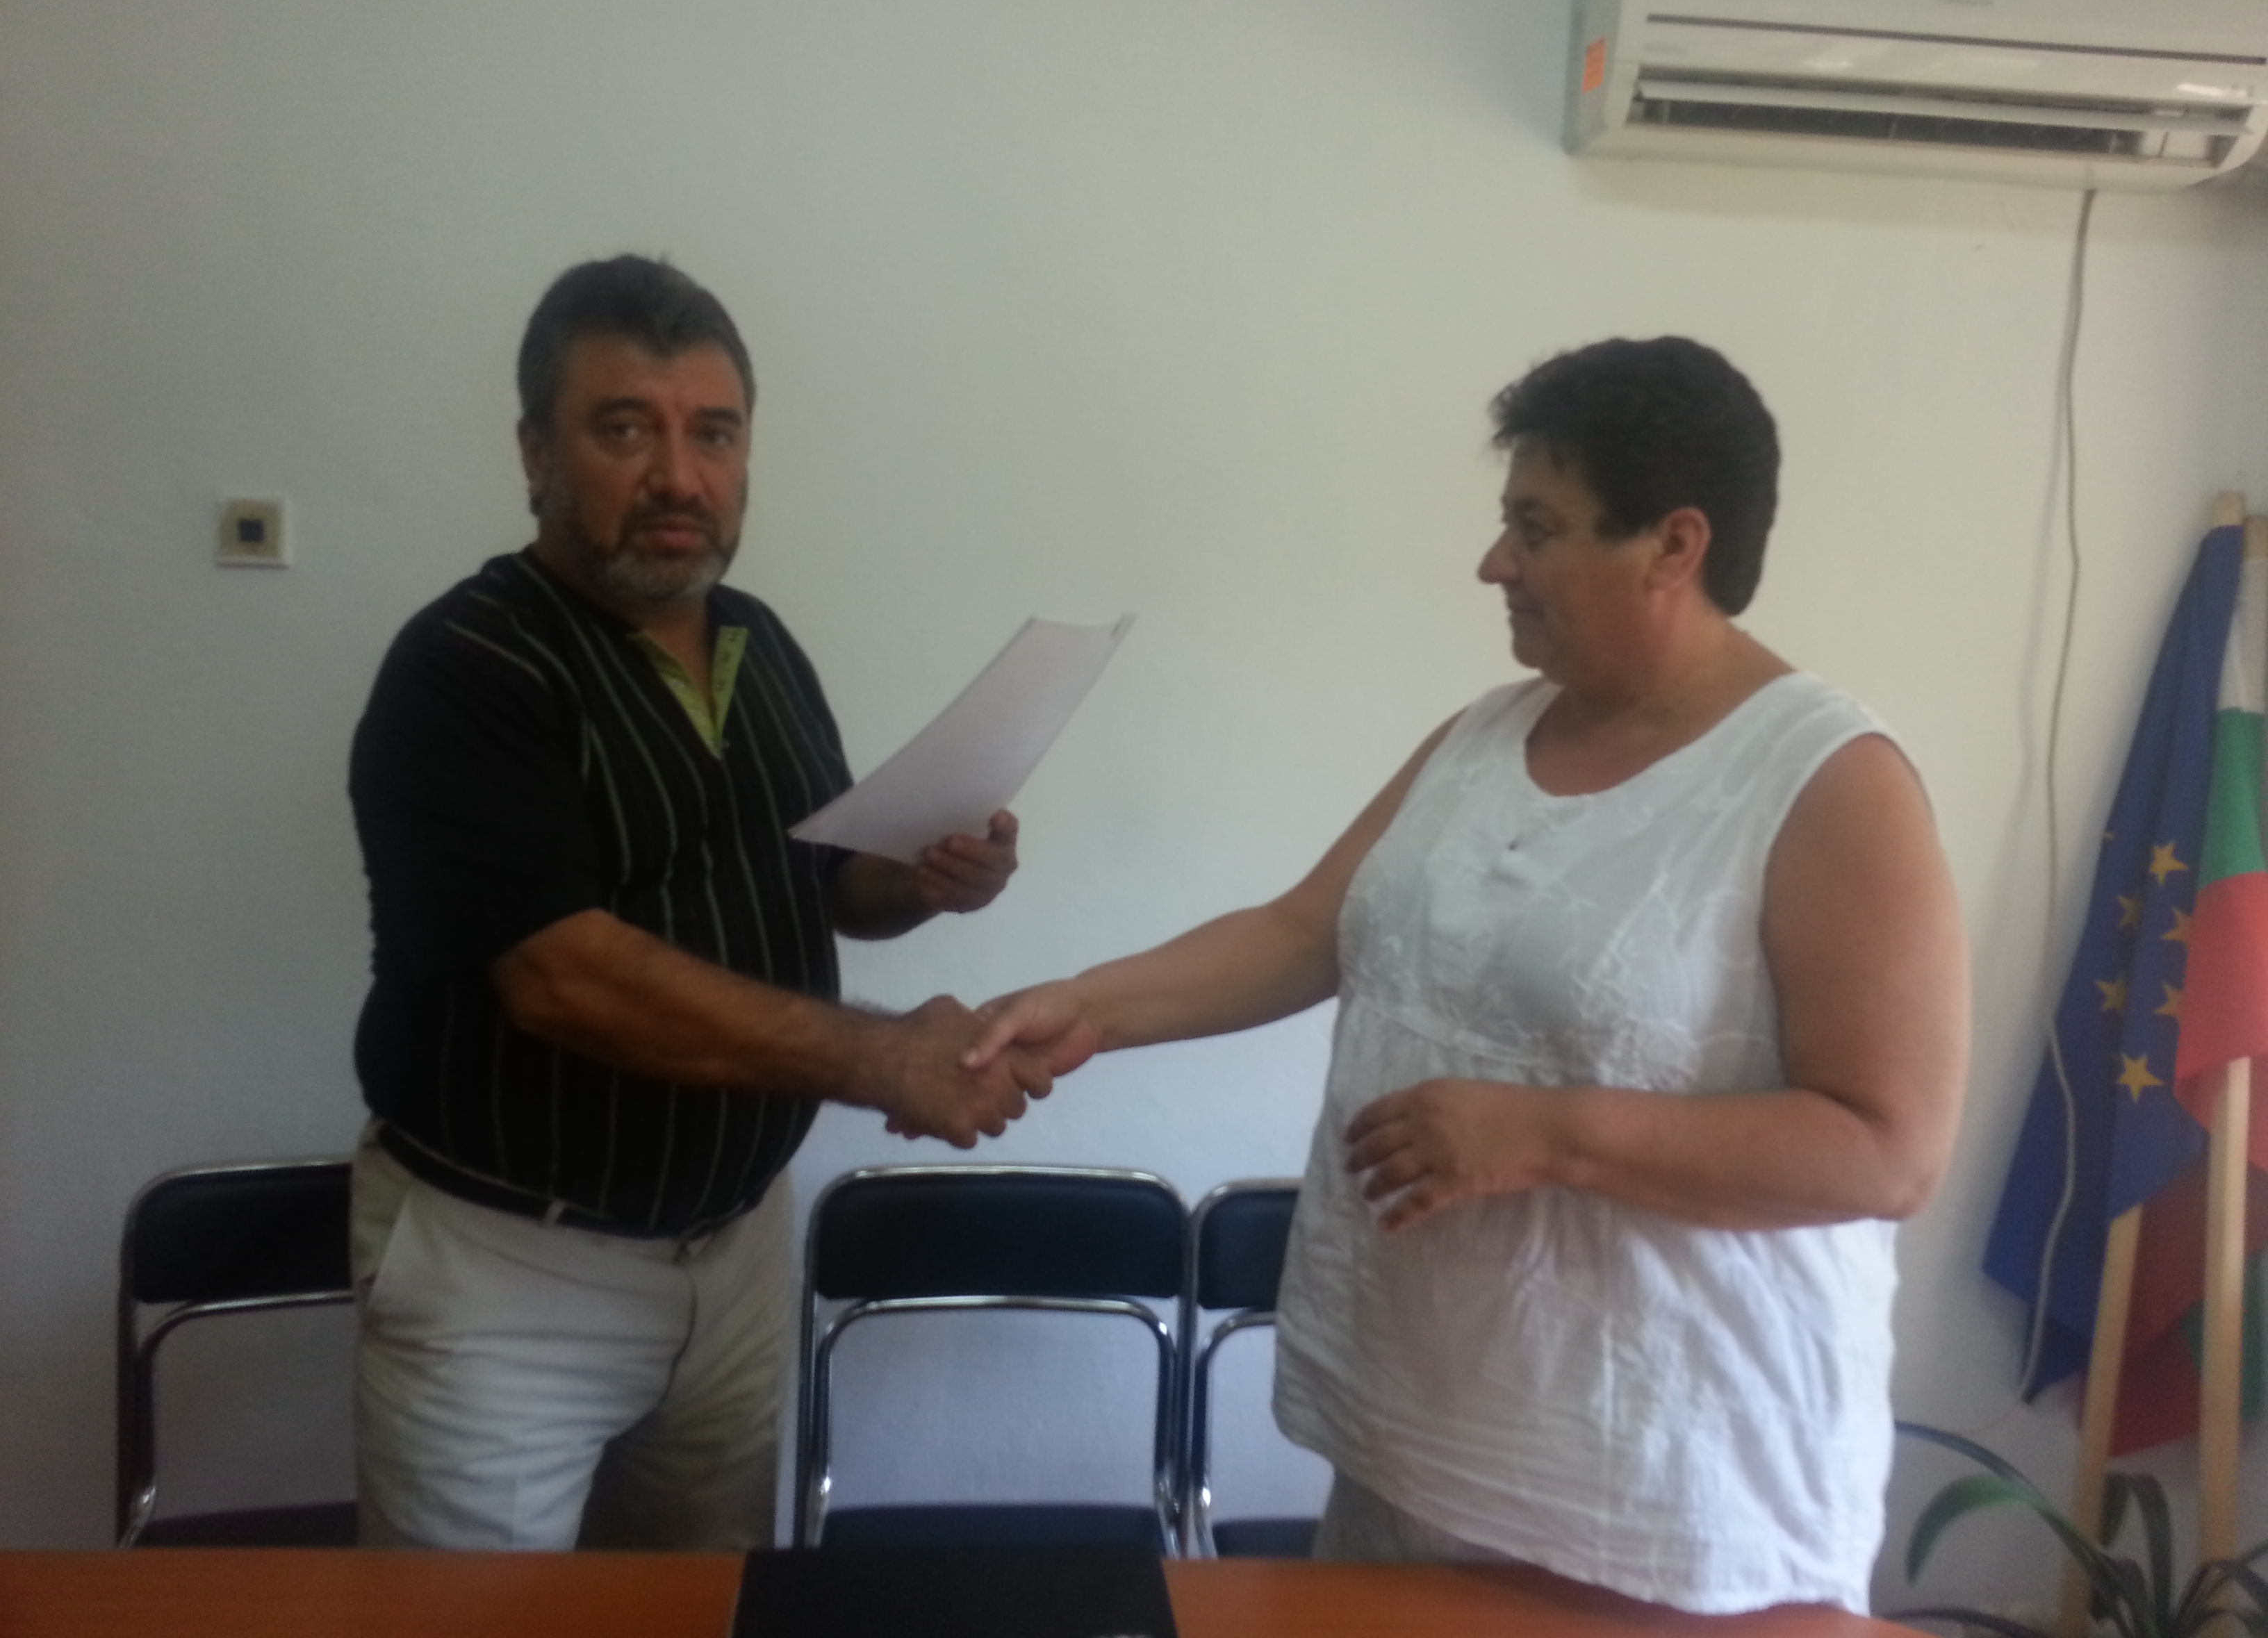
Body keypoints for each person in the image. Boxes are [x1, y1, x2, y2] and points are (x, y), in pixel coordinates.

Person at [967, 336, 1969, 1614]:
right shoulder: (1486, 735)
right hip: (1413, 1445)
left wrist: (1548, 1135)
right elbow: (1306, 931)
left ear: (1673, 545)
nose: (1496, 563)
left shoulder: (1828, 782)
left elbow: (1887, 1150)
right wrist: (1088, 1008)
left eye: (1536, 528)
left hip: (1661, 1502)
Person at [347, 255, 1060, 1551]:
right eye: (625, 430)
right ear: (536, 453)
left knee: (702, 1608)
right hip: (512, 1278)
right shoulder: (464, 668)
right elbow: (562, 977)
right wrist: (884, 1058)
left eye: (714, 434)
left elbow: (824, 887)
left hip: (735, 1255)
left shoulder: (759, 642)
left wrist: (918, 880)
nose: (678, 475)